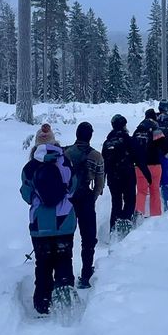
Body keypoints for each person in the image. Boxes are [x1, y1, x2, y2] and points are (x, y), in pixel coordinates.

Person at [20, 124, 77, 315]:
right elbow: (73, 187)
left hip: (40, 224)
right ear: (54, 141)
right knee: (64, 260)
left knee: (42, 264)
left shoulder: (29, 167)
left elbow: (27, 195)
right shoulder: (65, 161)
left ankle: (43, 303)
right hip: (64, 221)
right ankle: (66, 301)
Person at [65, 122, 105, 289]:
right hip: (86, 199)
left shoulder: (65, 153)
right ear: (90, 136)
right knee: (88, 238)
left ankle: (66, 276)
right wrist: (92, 198)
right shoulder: (96, 156)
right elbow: (100, 183)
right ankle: (86, 275)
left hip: (67, 200)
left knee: (66, 238)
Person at [102, 114, 144, 235]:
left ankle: (113, 231)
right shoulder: (129, 140)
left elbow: (104, 161)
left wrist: (103, 179)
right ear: (124, 125)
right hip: (128, 176)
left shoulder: (107, 142)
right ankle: (125, 225)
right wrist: (146, 174)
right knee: (130, 201)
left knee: (116, 203)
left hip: (112, 177)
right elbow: (138, 157)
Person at [132, 109, 164, 217]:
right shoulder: (156, 128)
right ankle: (156, 217)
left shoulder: (138, 130)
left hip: (140, 167)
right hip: (155, 164)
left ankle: (138, 213)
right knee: (155, 191)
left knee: (141, 191)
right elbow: (163, 145)